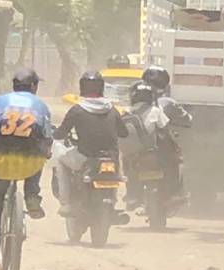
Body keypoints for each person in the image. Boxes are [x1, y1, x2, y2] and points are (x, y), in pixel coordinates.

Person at [0, 68, 53, 259]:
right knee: (39, 157)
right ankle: (32, 195)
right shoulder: (41, 105)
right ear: (33, 86)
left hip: (1, 160)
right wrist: (47, 152)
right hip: (30, 162)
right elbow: (47, 135)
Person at [52, 71, 128, 216]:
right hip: (111, 157)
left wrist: (54, 134)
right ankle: (113, 200)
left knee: (60, 159)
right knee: (116, 174)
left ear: (82, 87)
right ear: (102, 87)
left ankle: (66, 202)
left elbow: (61, 133)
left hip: (84, 156)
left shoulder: (78, 109)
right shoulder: (112, 109)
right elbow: (124, 133)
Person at [141, 66, 191, 204]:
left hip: (141, 146)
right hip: (161, 148)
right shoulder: (168, 102)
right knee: (177, 159)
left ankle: (133, 194)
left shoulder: (137, 103)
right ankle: (175, 192)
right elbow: (187, 120)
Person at [121, 81, 171, 208]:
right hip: (151, 152)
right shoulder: (156, 111)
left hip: (131, 154)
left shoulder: (127, 111)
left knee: (128, 170)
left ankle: (132, 194)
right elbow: (165, 128)